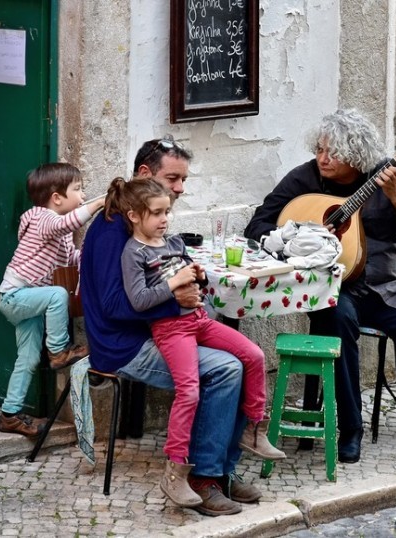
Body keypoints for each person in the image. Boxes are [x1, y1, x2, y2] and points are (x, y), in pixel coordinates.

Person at [244, 109, 396, 464]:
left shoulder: (393, 176)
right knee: (338, 329)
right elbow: (260, 225)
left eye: (334, 152)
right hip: (332, 287)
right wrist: (296, 239)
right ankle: (350, 429)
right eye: (320, 149)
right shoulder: (306, 179)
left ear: (357, 155)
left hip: (387, 287)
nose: (323, 159)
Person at [80, 136, 261, 517]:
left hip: (163, 330)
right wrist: (174, 297)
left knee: (245, 357)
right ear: (145, 175)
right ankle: (202, 479)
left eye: (183, 180)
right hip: (123, 344)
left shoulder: (152, 227)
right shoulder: (113, 230)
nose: (180, 188)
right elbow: (115, 307)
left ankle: (222, 473)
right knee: (225, 370)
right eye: (173, 178)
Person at [104, 176, 285, 505]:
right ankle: (175, 472)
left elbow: (187, 270)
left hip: (199, 321)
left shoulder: (173, 243)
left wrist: (197, 274)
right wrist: (175, 283)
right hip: (170, 330)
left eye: (167, 212)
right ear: (134, 216)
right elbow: (139, 301)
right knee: (188, 390)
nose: (164, 220)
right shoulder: (133, 253)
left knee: (254, 355)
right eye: (157, 213)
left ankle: (254, 429)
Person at [0, 163, 103, 437]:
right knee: (57, 294)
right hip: (14, 296)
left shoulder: (62, 233)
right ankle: (59, 350)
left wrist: (99, 257)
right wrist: (100, 202)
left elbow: (72, 260)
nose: (82, 195)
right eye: (78, 190)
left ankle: (9, 415)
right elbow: (68, 221)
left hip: (30, 300)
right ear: (57, 198)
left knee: (28, 358)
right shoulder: (42, 218)